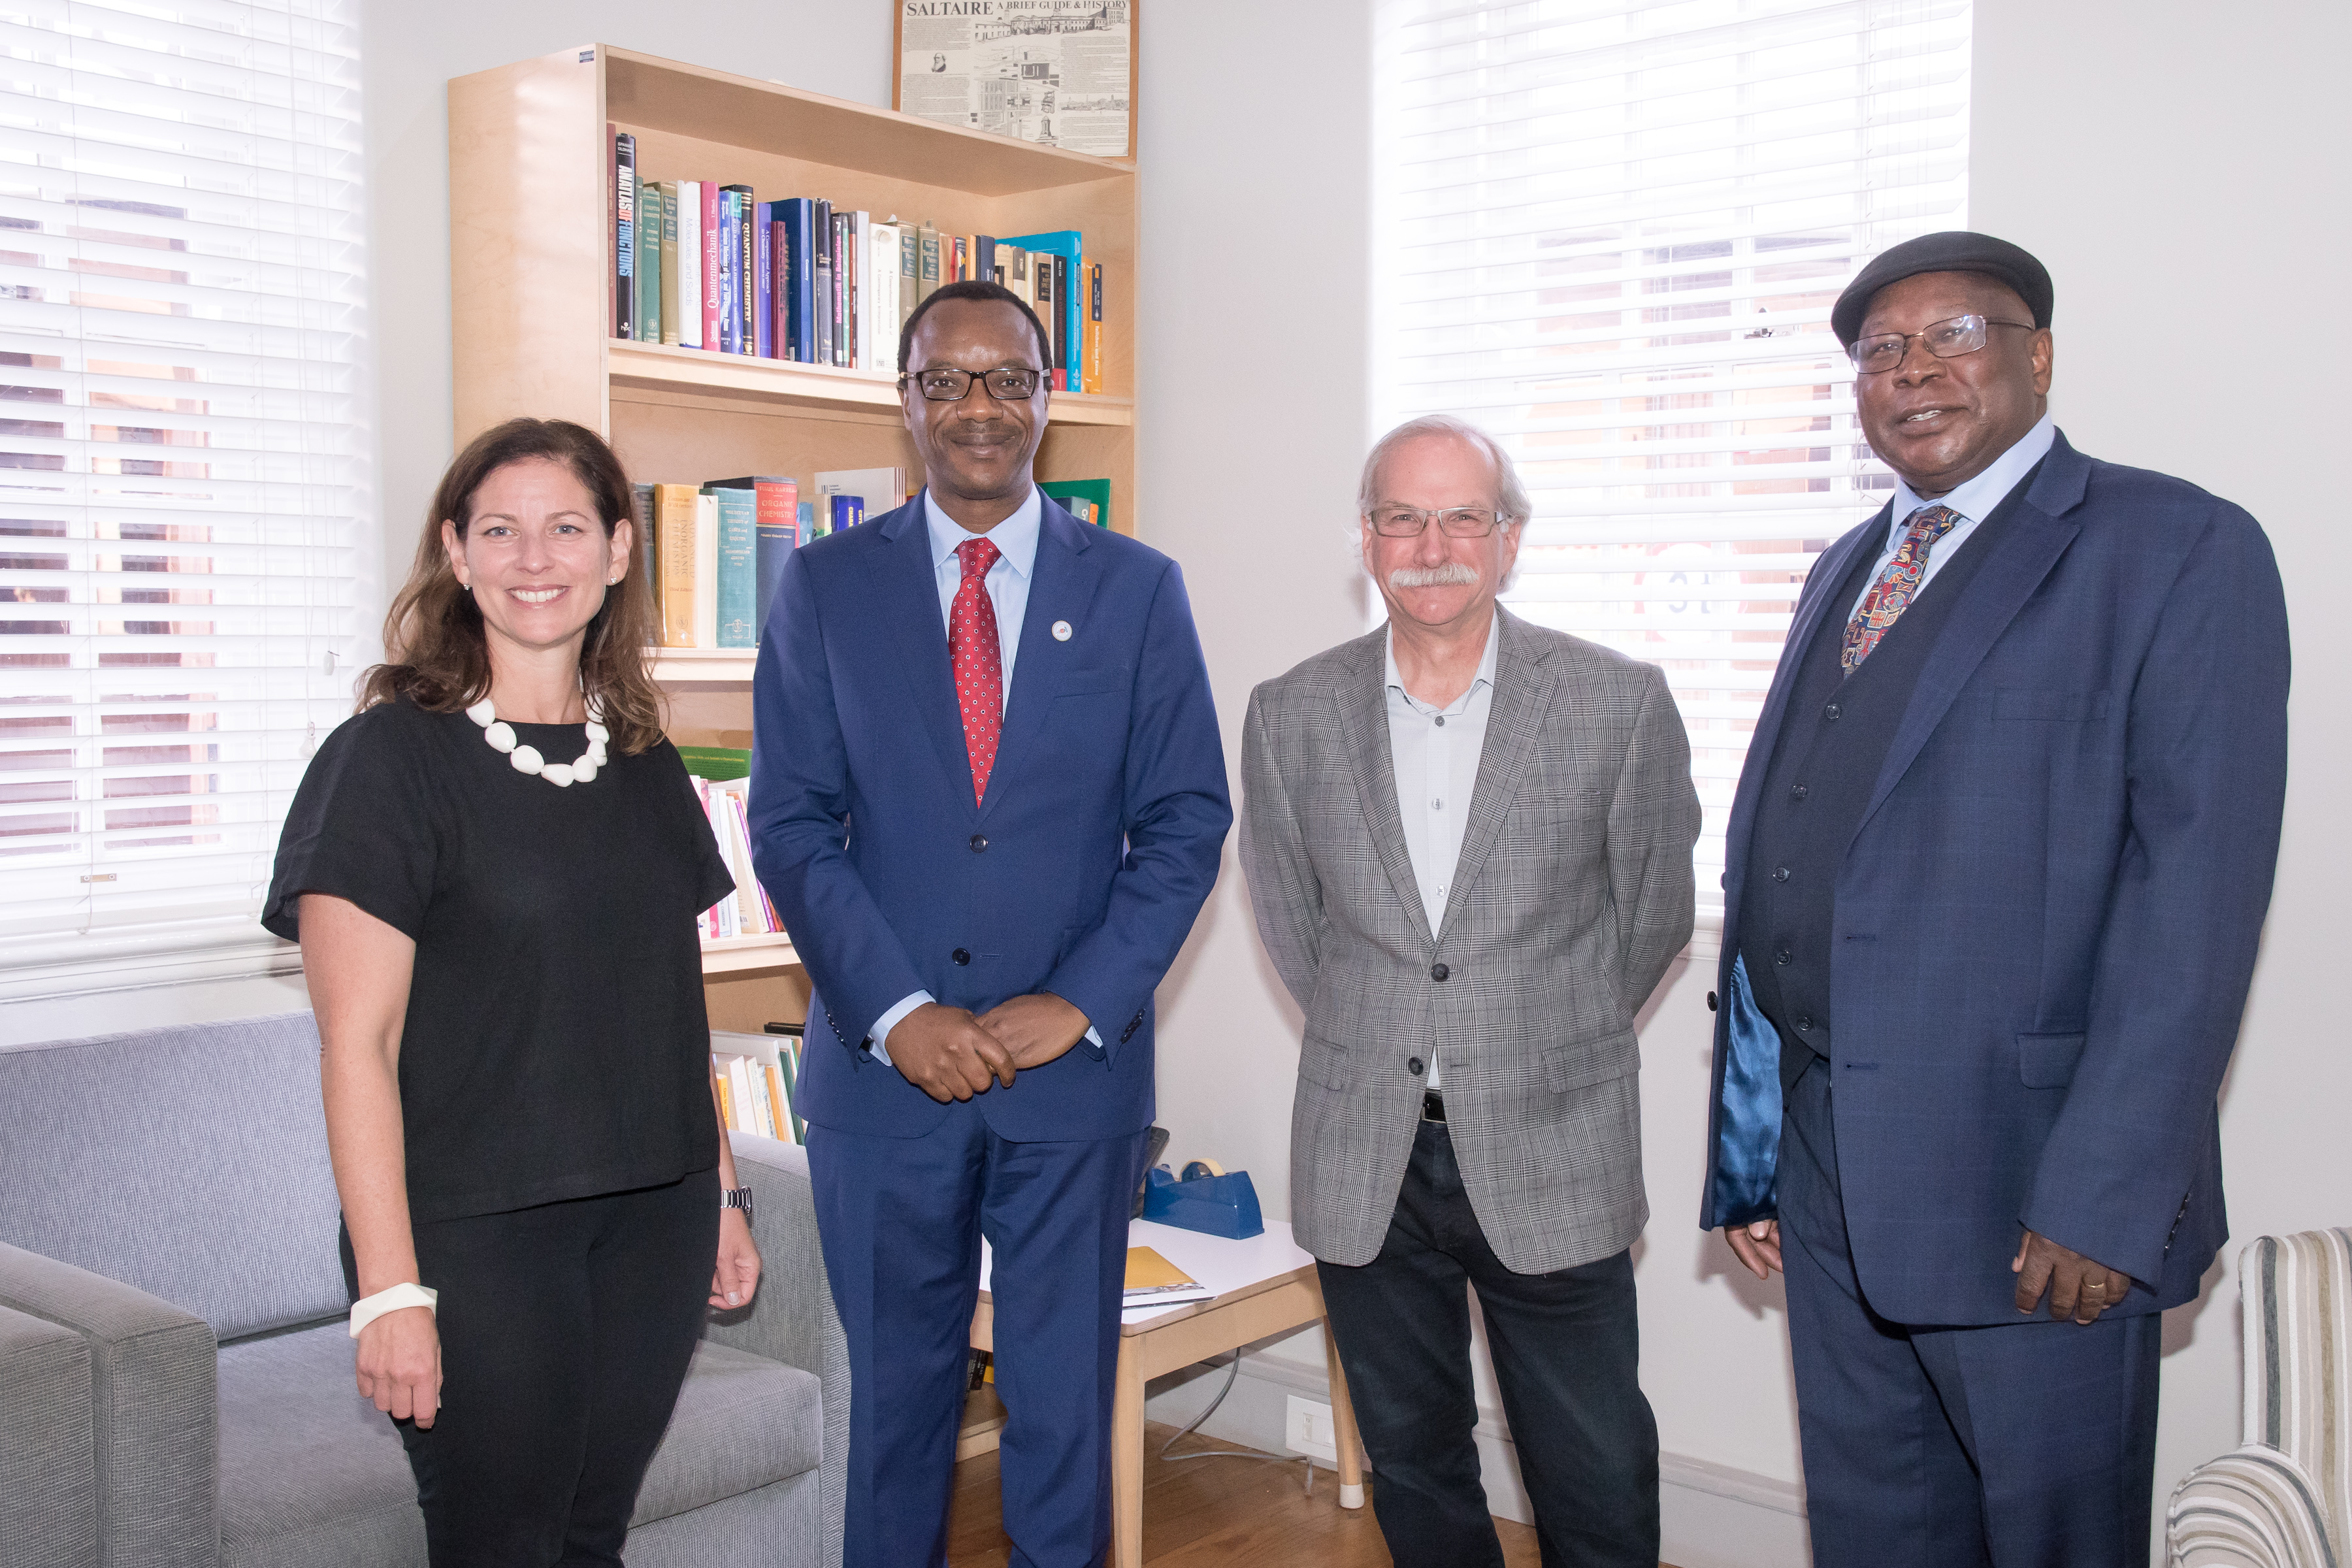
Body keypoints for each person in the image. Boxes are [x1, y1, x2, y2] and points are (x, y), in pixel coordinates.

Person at [1700, 232, 2291, 1566]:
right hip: (1832, 1168)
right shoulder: (1845, 564)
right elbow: (1787, 855)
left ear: (2037, 354)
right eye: (1880, 352)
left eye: (1953, 336)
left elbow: (2194, 902)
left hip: (2037, 1196)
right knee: (1877, 1531)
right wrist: (1756, 1149)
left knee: (2050, 1542)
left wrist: (2107, 1194)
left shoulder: (2176, 549)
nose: (1913, 372)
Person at [747, 279, 1230, 1568]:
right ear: (905, 403)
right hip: (883, 1080)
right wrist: (900, 1013)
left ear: (1046, 400)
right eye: (946, 380)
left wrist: (1077, 1002)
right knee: (889, 1417)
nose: (978, 408)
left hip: (1073, 1083)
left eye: (1007, 379)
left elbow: (1186, 821)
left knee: (1064, 1414)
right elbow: (791, 825)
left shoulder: (1135, 590)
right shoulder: (824, 590)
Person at [263, 418, 762, 1565]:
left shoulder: (643, 758)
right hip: (476, 1236)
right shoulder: (387, 761)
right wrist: (388, 1291)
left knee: (591, 1536)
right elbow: (358, 1044)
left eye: (566, 528)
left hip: (657, 1216)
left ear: (620, 552)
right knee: (502, 1546)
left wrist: (725, 1194)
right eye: (501, 529)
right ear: (456, 550)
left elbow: (666, 1008)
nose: (535, 558)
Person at [1240, 415, 1700, 1567]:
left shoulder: (1615, 702)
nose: (1431, 542)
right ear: (1367, 537)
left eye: (1462, 516)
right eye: (1403, 515)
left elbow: (1647, 920)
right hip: (1365, 1151)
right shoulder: (1289, 712)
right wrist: (1389, 1031)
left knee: (1591, 1469)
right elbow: (1298, 928)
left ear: (1509, 539)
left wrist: (1531, 1034)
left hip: (1554, 1139)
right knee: (1414, 1462)